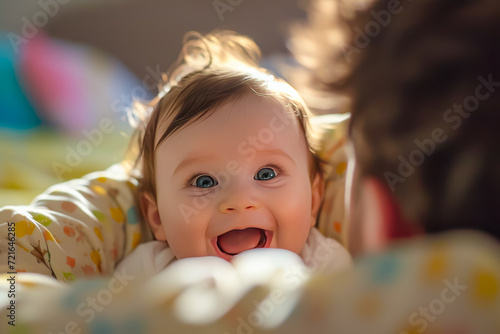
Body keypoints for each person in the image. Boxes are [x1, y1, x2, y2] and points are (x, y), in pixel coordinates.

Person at [114, 30, 351, 275]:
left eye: (267, 174)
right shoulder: (147, 271)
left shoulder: (325, 264)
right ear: (157, 218)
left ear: (313, 200)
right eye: (204, 181)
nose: (239, 201)